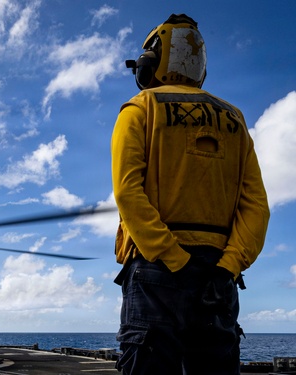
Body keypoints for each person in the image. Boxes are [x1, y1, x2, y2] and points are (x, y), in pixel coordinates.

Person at [111, 14, 270, 374]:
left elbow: (127, 191)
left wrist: (173, 259)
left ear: (154, 62)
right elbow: (256, 206)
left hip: (157, 271)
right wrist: (228, 267)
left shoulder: (140, 109)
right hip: (217, 276)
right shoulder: (235, 120)